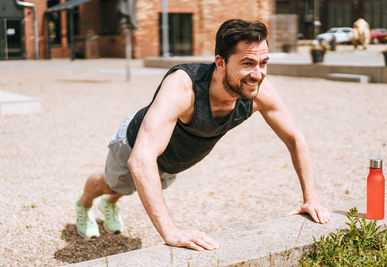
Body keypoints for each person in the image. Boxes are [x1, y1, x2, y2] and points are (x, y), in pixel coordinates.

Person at [75, 18, 330, 251]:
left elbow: (294, 138)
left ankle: (110, 203)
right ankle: (85, 204)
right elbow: (141, 160)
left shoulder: (258, 91)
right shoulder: (183, 86)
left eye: (264, 63)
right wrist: (171, 232)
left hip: (173, 159)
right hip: (134, 145)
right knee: (115, 182)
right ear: (220, 62)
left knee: (133, 186)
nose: (258, 74)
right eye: (248, 63)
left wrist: (312, 199)